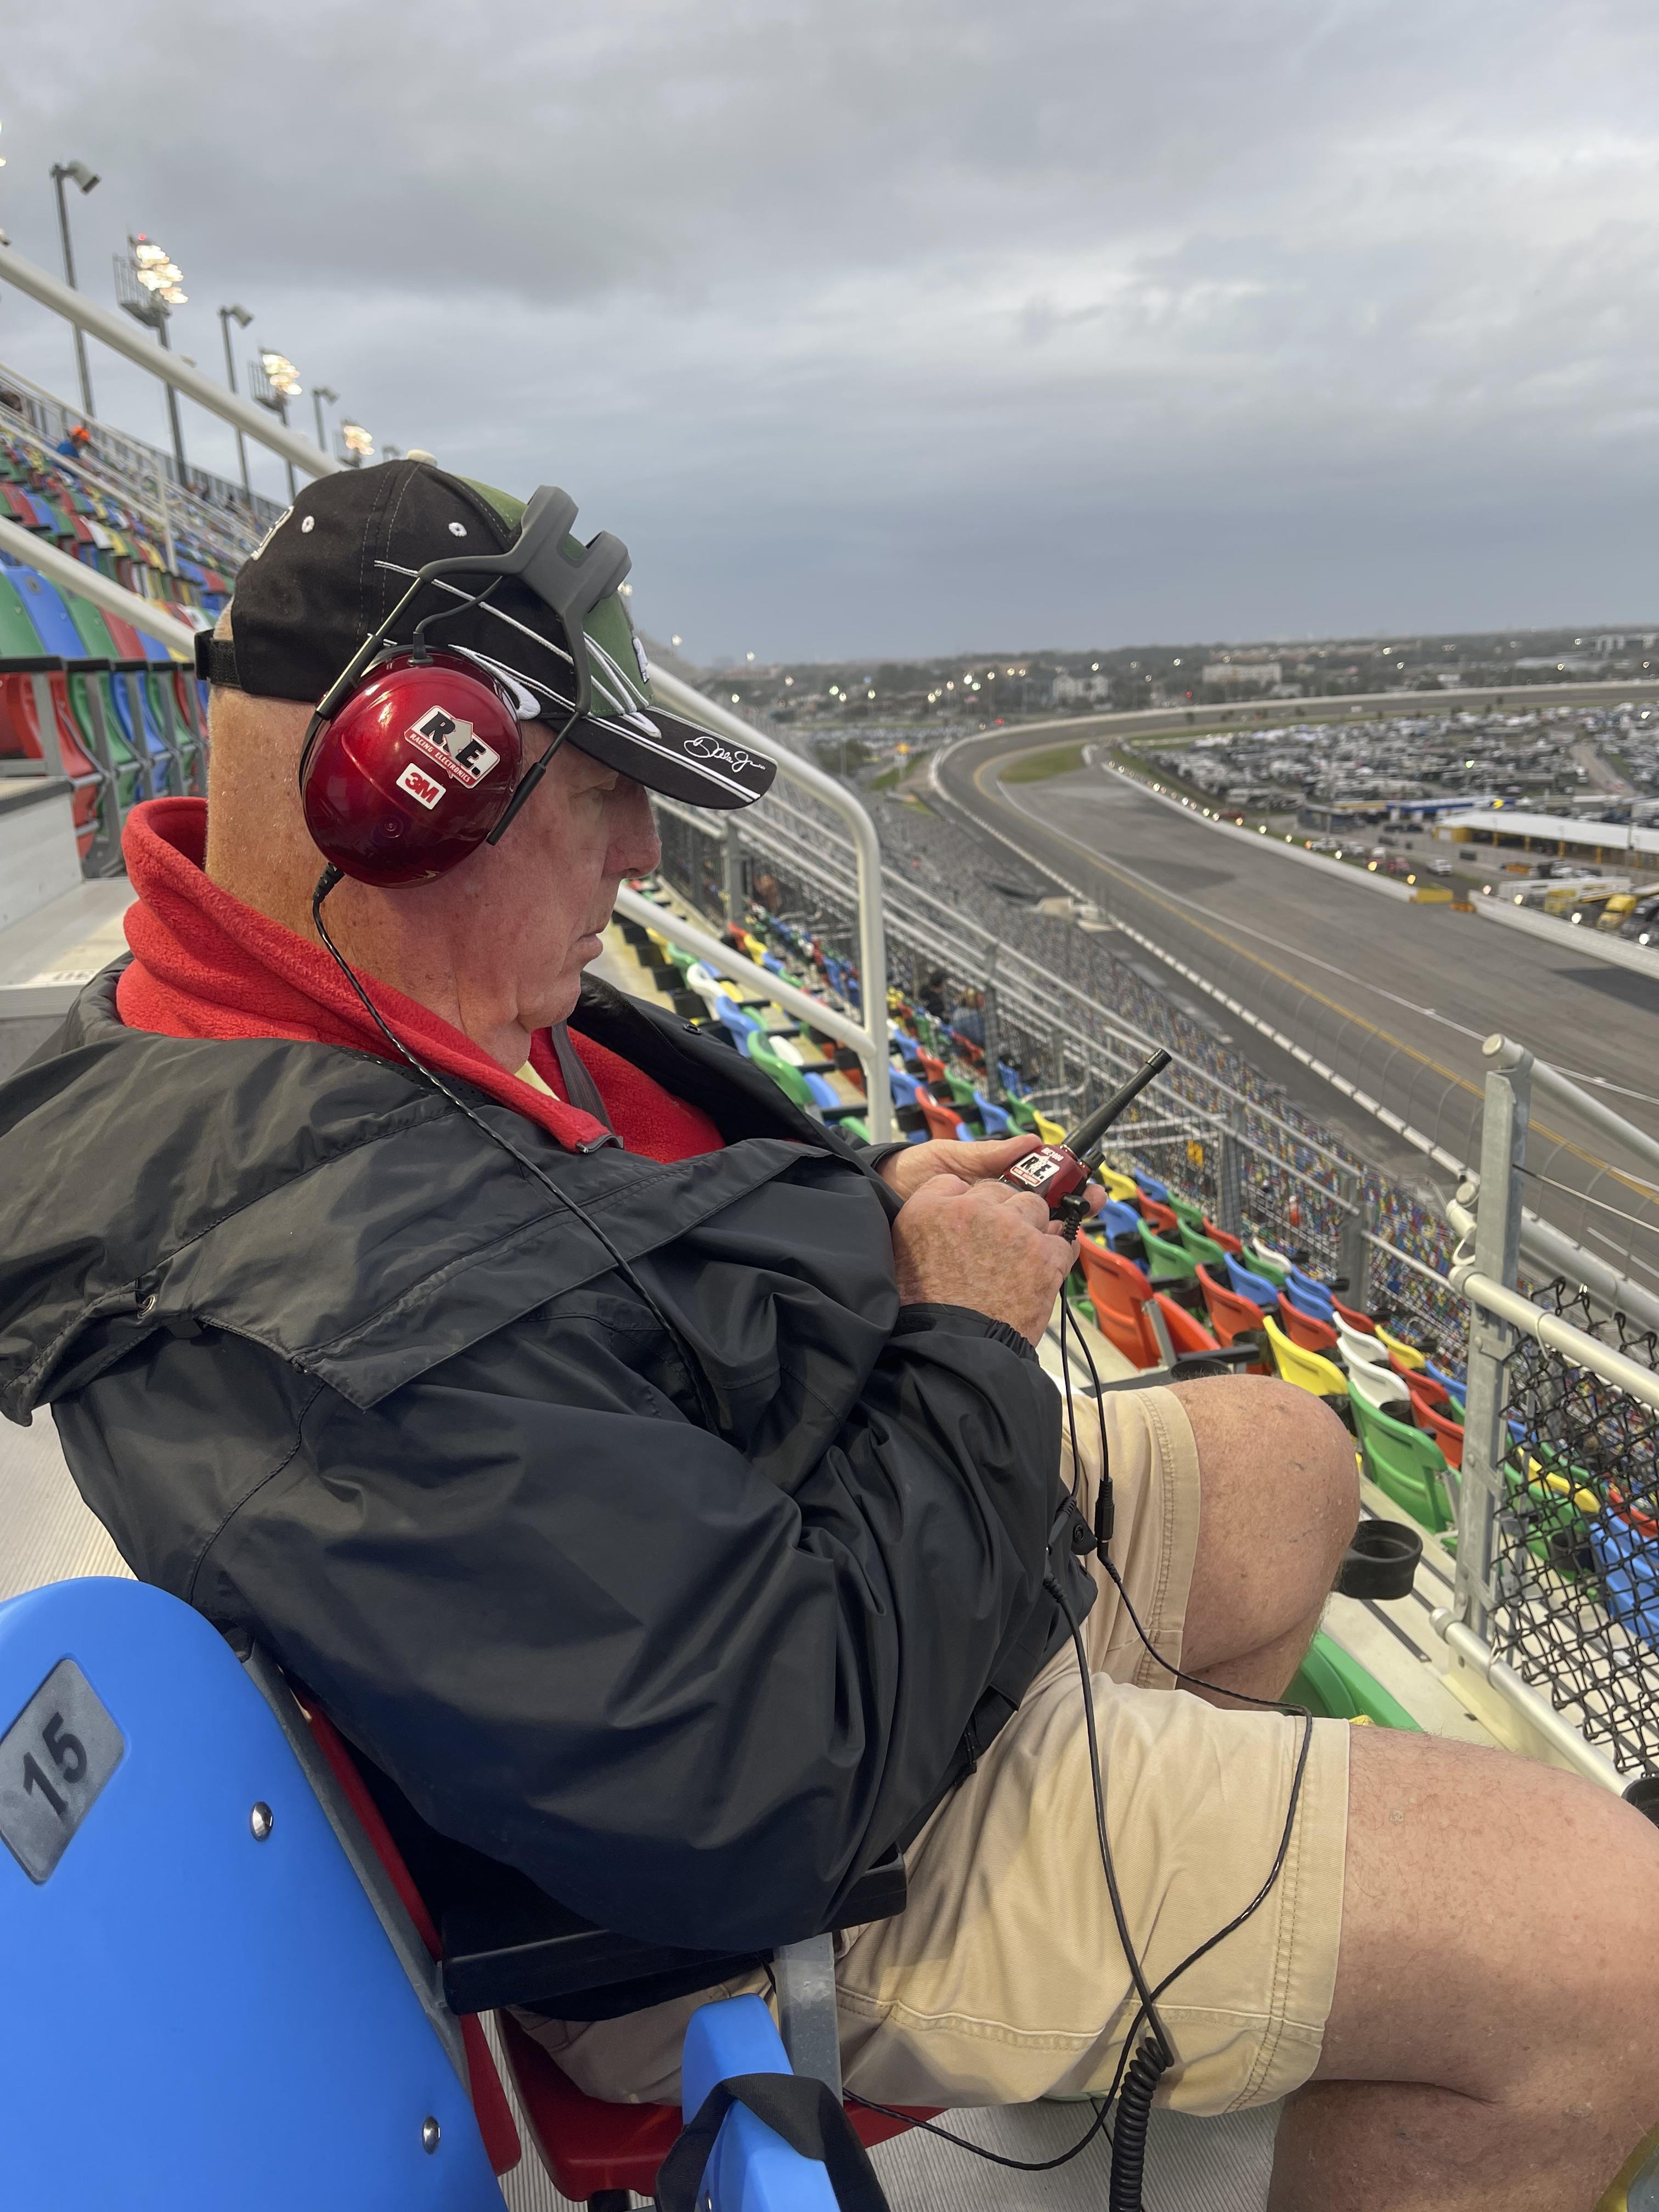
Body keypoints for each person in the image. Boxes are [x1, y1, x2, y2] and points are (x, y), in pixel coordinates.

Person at [0, 460, 1654, 2212]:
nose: (642, 856)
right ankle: (1192, 1929)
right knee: (1612, 1944)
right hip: (754, 1873)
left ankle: (1185, 1977)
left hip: (792, 1579)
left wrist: (875, 1214)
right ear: (412, 789)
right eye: (603, 796)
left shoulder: (346, 1010)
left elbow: (616, 1284)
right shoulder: (307, 1303)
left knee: (1289, 1466)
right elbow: (761, 1776)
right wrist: (959, 1332)